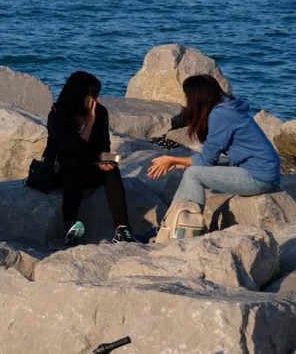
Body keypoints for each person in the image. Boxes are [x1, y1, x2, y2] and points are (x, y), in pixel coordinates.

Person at [146, 74, 280, 237]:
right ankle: (170, 227)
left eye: (187, 96)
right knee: (191, 169)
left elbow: (207, 161)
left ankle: (184, 231)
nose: (186, 100)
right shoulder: (227, 107)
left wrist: (172, 159)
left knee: (194, 174)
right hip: (256, 169)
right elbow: (212, 157)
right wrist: (180, 163)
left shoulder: (220, 115)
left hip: (259, 177)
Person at [43, 71, 135, 246]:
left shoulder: (100, 112)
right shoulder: (57, 114)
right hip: (60, 169)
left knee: (112, 169)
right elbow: (72, 149)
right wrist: (90, 122)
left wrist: (107, 160)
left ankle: (122, 230)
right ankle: (69, 225)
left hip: (88, 164)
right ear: (80, 95)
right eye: (93, 96)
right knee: (73, 164)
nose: (97, 100)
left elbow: (103, 147)